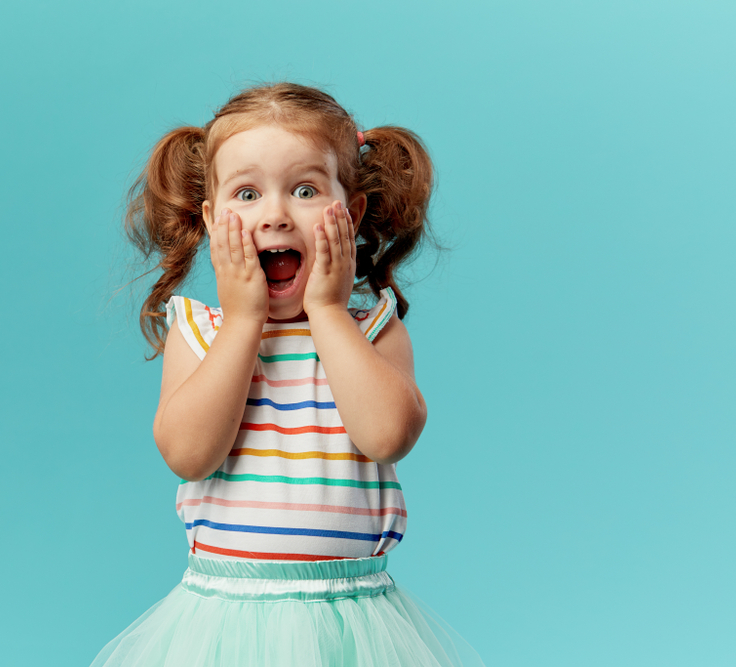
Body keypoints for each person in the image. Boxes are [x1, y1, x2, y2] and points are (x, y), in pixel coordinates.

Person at [91, 83, 485, 666]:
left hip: (354, 624)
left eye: (305, 190)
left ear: (349, 214)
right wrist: (245, 318)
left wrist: (327, 311)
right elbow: (188, 454)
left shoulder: (373, 329)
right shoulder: (199, 331)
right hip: (223, 620)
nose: (274, 214)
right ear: (211, 217)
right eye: (246, 193)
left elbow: (387, 436)